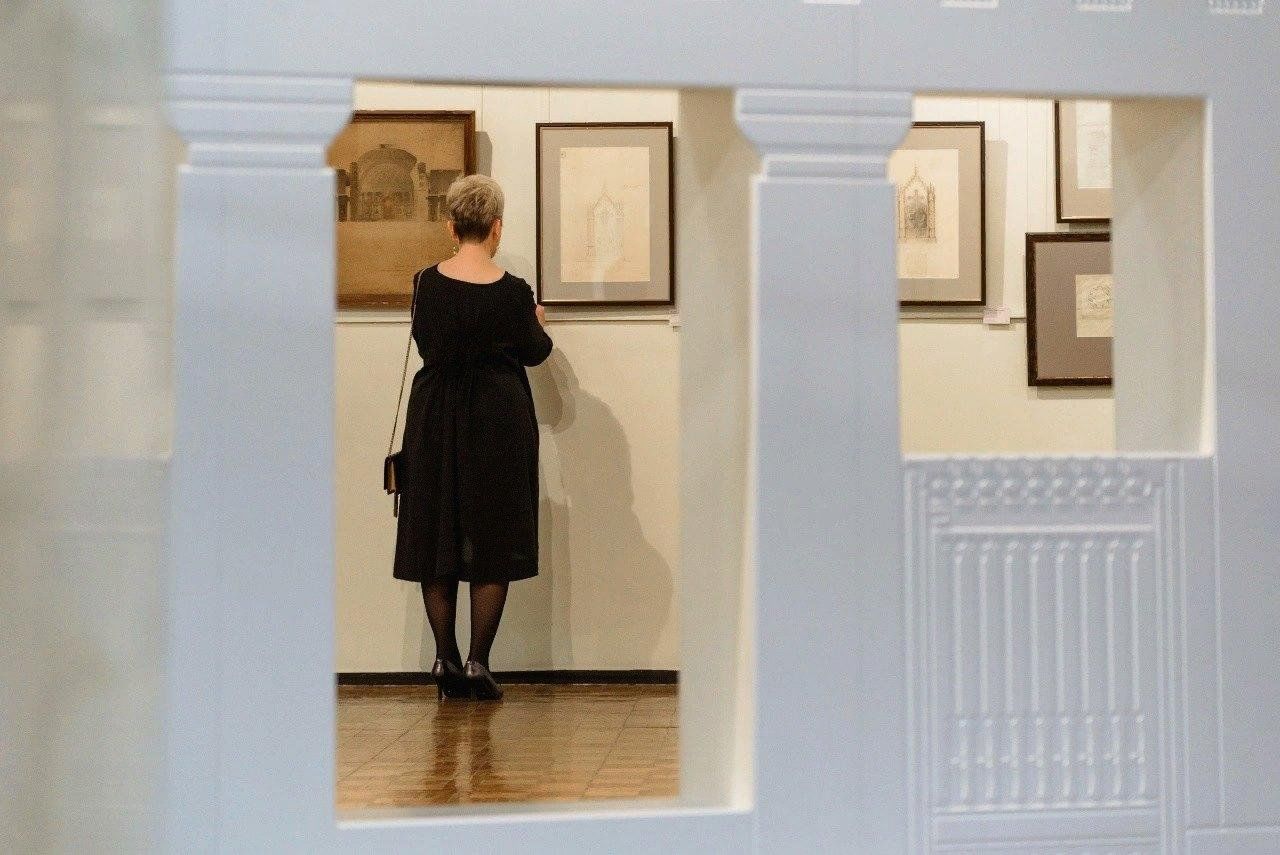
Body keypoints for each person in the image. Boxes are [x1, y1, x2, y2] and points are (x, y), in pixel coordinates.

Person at [391, 174, 553, 701]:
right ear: (497, 227)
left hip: (434, 417)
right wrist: (537, 322)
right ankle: (479, 661)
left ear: (451, 226)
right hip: (498, 420)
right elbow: (535, 352)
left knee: (435, 530)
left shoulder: (425, 283)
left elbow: (426, 341)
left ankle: (445, 657)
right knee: (494, 534)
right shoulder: (514, 292)